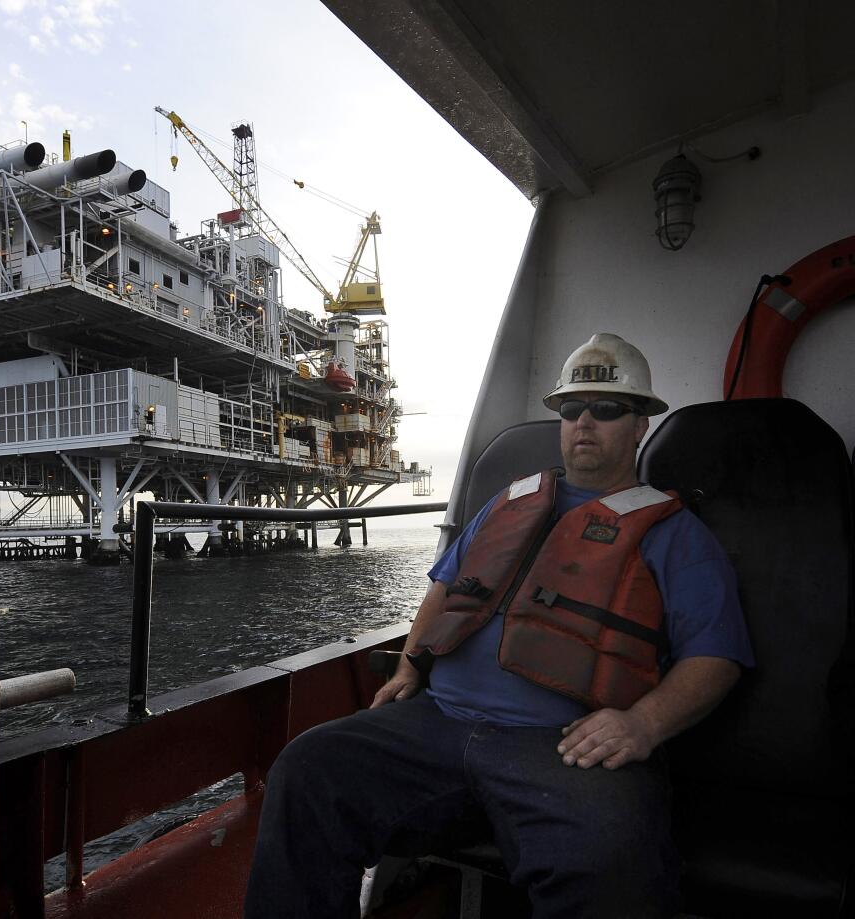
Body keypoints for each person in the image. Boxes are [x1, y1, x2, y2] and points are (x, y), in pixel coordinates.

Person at [244, 332, 754, 919]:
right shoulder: (509, 502)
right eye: (571, 409)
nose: (584, 422)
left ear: (640, 424)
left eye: (608, 409)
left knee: (614, 861)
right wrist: (412, 663)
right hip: (439, 723)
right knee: (307, 770)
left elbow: (717, 656)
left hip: (564, 748)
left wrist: (642, 725)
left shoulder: (676, 534)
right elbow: (445, 586)